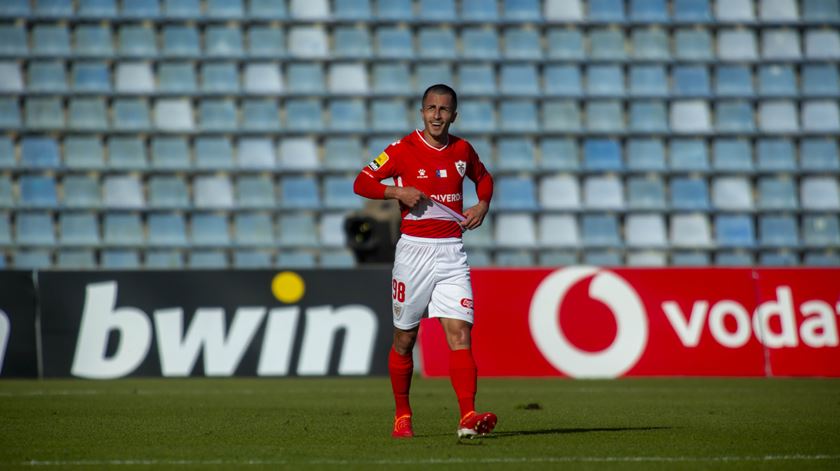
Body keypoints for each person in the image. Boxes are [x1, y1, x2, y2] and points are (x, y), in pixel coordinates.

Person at [353, 84, 496, 439]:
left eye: (444, 109)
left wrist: (482, 205)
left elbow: (484, 177)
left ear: (453, 115)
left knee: (460, 332)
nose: (437, 115)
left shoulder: (463, 150)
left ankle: (468, 417)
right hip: (413, 252)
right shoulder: (402, 150)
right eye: (431, 108)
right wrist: (396, 191)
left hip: (451, 252)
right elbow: (362, 181)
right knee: (405, 339)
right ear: (422, 112)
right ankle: (402, 413)